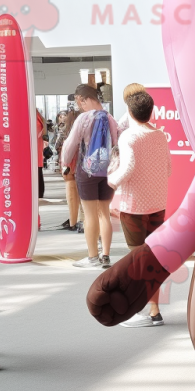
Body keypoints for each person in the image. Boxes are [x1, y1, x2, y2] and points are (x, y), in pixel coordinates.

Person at [108, 90, 172, 327]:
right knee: (151, 259)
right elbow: (168, 169)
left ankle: (138, 311)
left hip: (134, 207)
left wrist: (111, 181)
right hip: (158, 206)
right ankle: (154, 310)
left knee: (136, 261)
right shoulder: (159, 136)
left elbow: (127, 168)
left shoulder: (128, 137)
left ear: (130, 112)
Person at [61, 84, 118, 268]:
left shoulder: (83, 119)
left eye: (80, 102)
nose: (80, 107)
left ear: (85, 99)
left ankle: (92, 257)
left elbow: (70, 145)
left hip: (87, 171)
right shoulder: (110, 118)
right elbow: (116, 146)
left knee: (90, 215)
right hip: (107, 171)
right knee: (105, 214)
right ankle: (106, 256)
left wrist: (64, 164)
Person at [55, 109, 81, 231]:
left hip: (68, 163)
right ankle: (82, 220)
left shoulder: (64, 130)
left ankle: (72, 221)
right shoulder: (81, 129)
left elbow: (56, 144)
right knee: (82, 195)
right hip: (81, 162)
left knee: (71, 194)